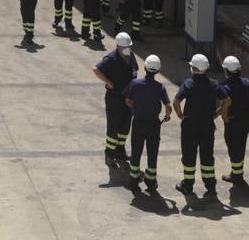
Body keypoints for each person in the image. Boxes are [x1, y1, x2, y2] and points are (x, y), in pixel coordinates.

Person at [173, 53, 230, 197]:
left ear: (193, 68)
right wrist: (217, 113)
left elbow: (176, 102)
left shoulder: (188, 84)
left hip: (190, 126)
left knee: (189, 156)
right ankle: (210, 186)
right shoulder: (214, 84)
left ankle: (188, 185)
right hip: (207, 125)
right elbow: (228, 101)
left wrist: (181, 116)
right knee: (207, 157)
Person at [125, 54, 170, 192]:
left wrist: (134, 106)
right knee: (152, 152)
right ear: (158, 70)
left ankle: (133, 180)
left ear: (144, 68)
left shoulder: (135, 84)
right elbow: (168, 106)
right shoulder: (160, 87)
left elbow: (127, 99)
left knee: (136, 151)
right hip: (154, 125)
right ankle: (151, 182)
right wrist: (167, 116)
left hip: (138, 122)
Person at [92, 32, 138, 165]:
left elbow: (135, 71)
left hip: (128, 98)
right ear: (118, 46)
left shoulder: (131, 56)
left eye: (128, 46)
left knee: (125, 126)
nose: (126, 48)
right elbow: (96, 69)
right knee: (113, 126)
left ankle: (120, 151)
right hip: (115, 98)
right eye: (124, 46)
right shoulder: (111, 58)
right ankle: (110, 155)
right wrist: (108, 81)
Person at [220, 55, 249, 185]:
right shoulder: (246, 82)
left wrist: (224, 117)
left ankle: (236, 176)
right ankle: (238, 173)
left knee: (233, 147)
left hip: (232, 121)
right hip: (245, 120)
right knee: (241, 146)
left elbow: (225, 104)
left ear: (226, 71)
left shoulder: (225, 86)